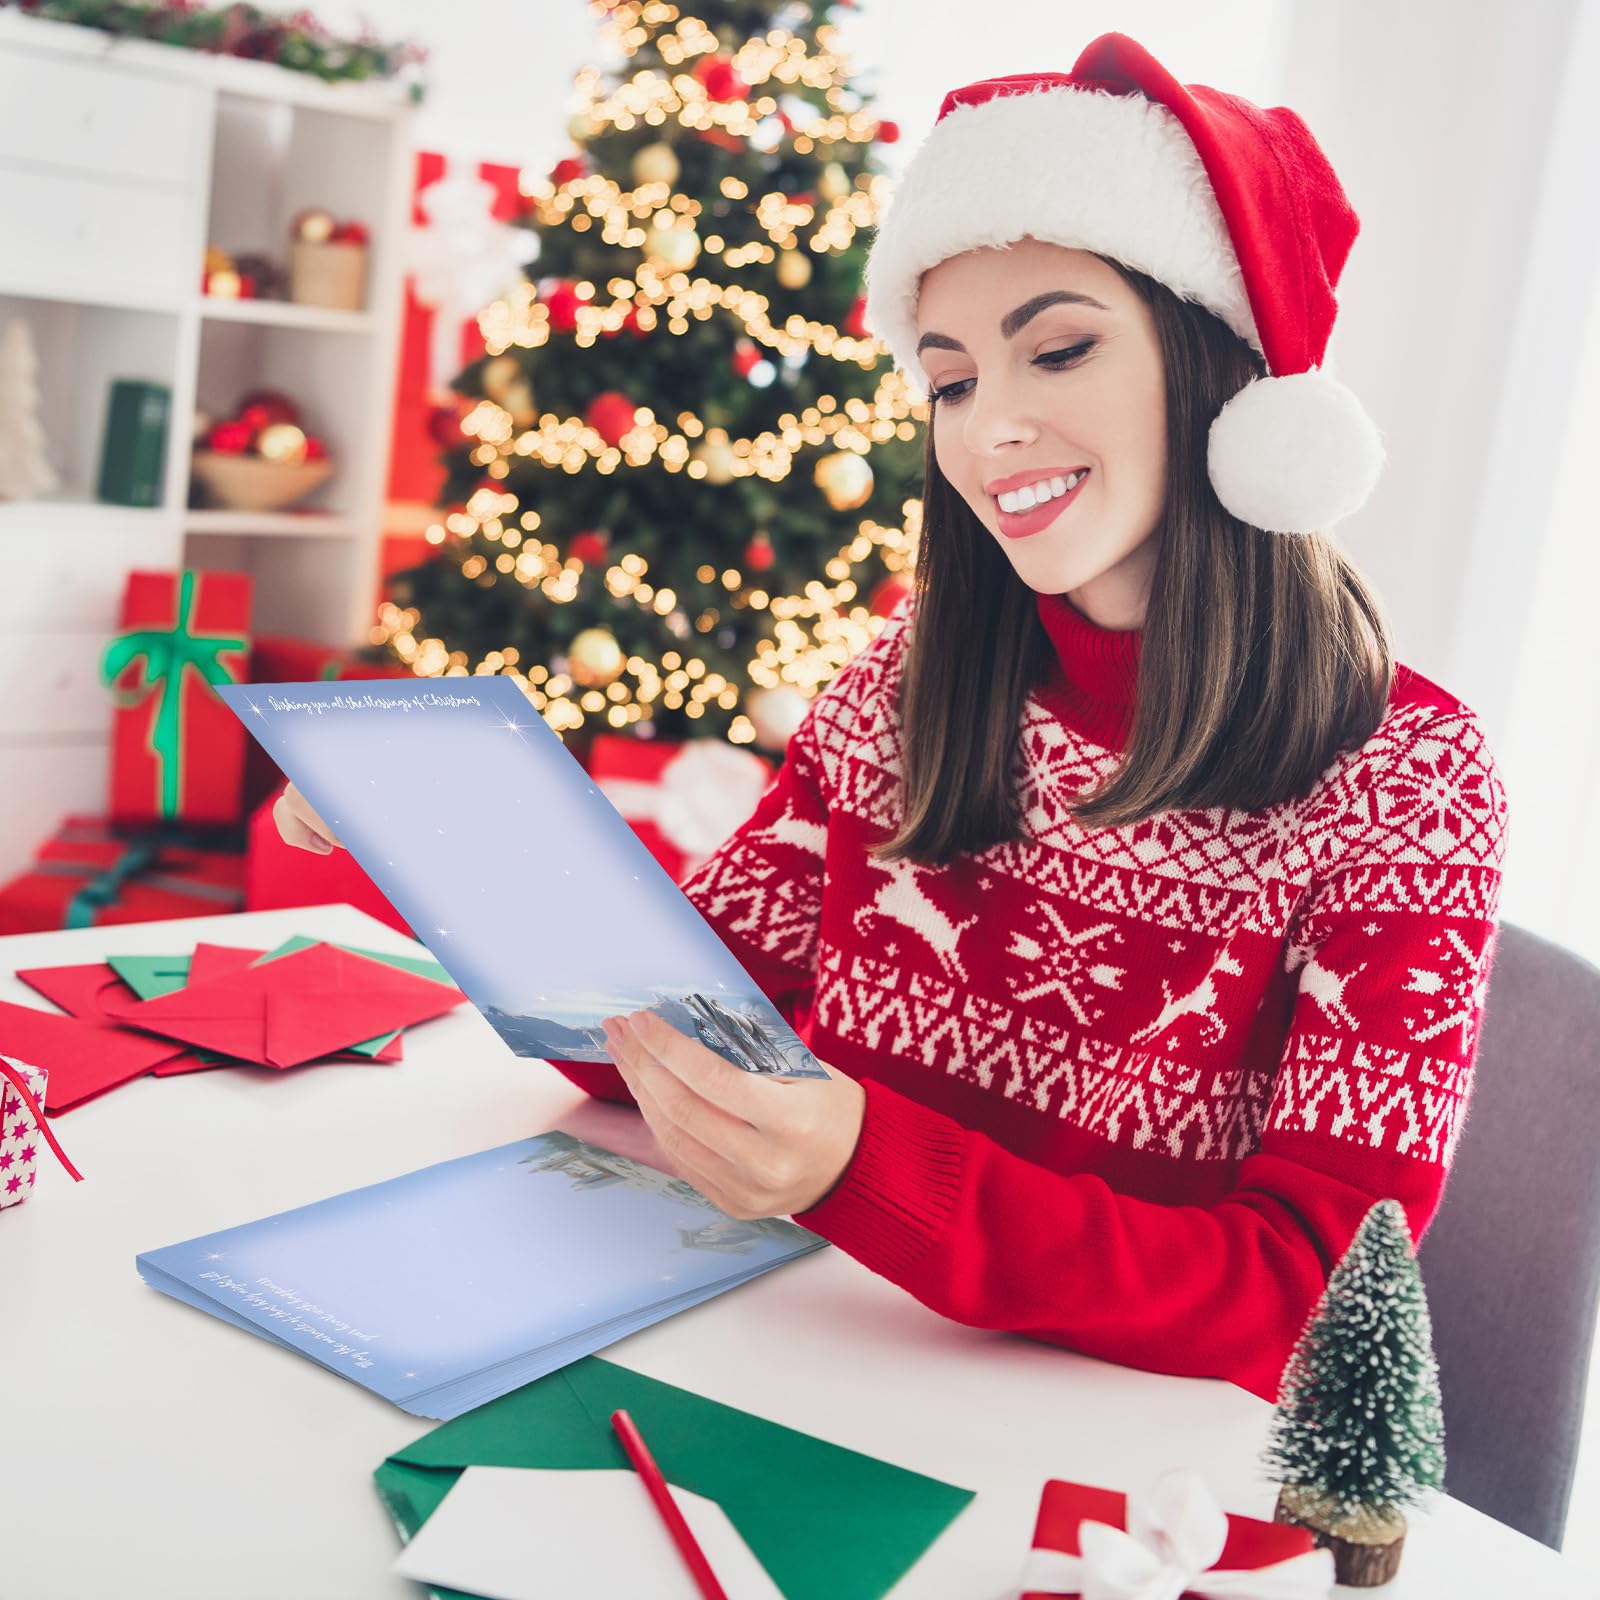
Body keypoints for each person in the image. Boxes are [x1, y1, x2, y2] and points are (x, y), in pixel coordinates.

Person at [276, 34, 1509, 1403]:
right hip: (820, 1360)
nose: (985, 432)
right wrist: (441, 846)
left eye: (1058, 351)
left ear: (1230, 375)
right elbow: (678, 1034)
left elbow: (1311, 1299)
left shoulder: (1409, 780)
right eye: (954, 379)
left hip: (1105, 1453)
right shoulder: (903, 687)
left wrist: (860, 1169)